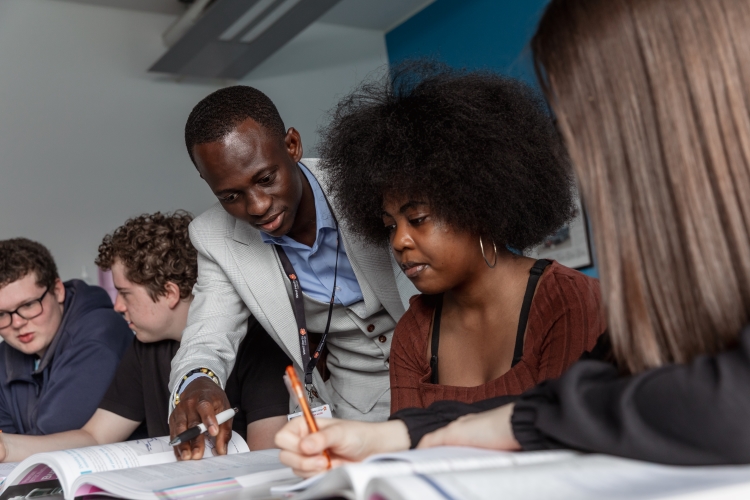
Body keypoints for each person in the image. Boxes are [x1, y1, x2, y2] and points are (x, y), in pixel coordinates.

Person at [275, 0, 750, 475]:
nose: (585, 163)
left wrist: (519, 422)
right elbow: (596, 392)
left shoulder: (567, 299)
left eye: (586, 129)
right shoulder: (418, 332)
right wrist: (396, 435)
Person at [312, 63, 605, 413]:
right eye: (390, 225)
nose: (399, 241)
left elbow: (566, 436)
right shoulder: (415, 332)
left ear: (476, 206)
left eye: (417, 219)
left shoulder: (570, 301)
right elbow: (408, 449)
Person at [169, 86, 417, 460]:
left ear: (292, 145)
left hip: (443, 374)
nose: (258, 206)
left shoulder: (366, 179)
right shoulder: (213, 237)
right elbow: (207, 335)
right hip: (352, 412)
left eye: (266, 178)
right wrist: (197, 381)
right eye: (230, 196)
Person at [0, 212, 292, 462]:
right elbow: (94, 436)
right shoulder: (144, 348)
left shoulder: (258, 342)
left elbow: (268, 459)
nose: (117, 306)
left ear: (169, 293)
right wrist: (7, 447)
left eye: (125, 293)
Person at [0, 238, 132, 435]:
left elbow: (53, 438)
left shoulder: (98, 336)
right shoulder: (6, 354)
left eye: (28, 305)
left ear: (58, 290)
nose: (17, 323)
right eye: (2, 314)